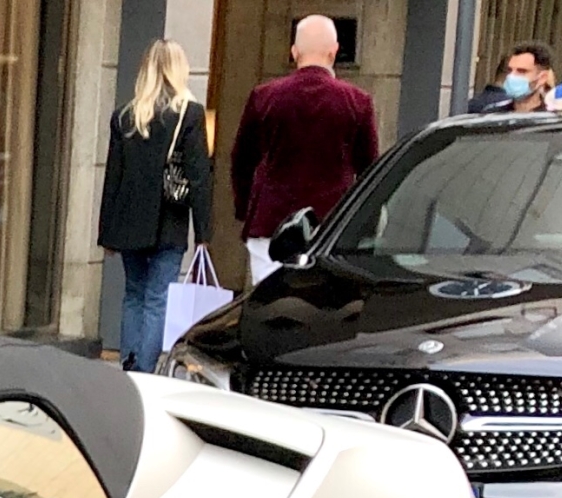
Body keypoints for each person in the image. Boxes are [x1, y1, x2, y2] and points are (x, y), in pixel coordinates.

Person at [231, 16, 377, 283]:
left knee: (268, 306)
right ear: (334, 51)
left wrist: (244, 208)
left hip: (270, 222)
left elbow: (242, 160)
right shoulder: (358, 102)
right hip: (331, 226)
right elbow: (370, 170)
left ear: (294, 52)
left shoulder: (264, 97)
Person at [97, 40, 213, 371]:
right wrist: (204, 231)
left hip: (128, 221)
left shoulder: (124, 116)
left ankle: (130, 364)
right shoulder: (189, 114)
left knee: (133, 294)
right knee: (156, 299)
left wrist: (106, 233)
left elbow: (113, 178)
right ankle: (146, 370)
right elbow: (199, 176)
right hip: (169, 220)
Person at [467, 41, 554, 113]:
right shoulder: (493, 115)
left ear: (542, 78)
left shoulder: (554, 120)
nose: (512, 76)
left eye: (522, 71)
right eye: (510, 70)